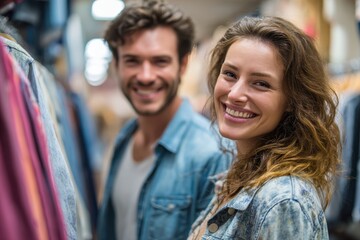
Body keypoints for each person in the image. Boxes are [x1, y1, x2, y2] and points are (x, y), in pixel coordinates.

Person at [188, 16, 341, 239]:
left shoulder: (284, 201)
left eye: (261, 83)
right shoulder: (237, 178)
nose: (235, 94)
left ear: (292, 100)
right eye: (230, 74)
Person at [96, 1, 232, 240]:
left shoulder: (212, 155)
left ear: (183, 65)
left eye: (160, 61)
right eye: (132, 61)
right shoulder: (124, 139)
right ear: (116, 65)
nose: (146, 76)